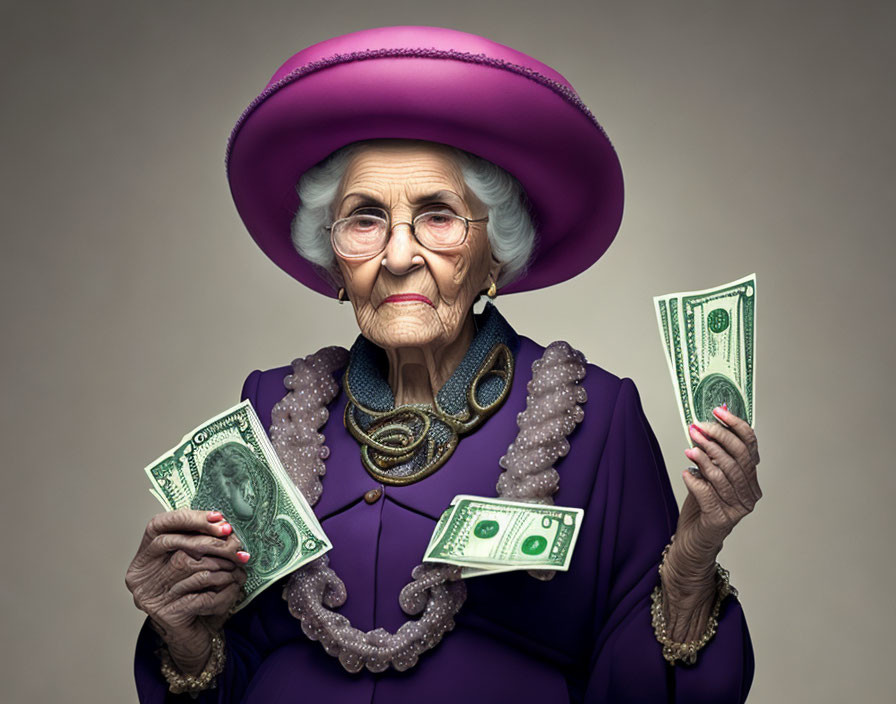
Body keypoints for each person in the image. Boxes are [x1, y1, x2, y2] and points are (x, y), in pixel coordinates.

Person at [126, 26, 761, 703]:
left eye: (438, 217)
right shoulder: (274, 409)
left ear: (496, 257)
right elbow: (225, 674)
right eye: (365, 220)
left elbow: (643, 686)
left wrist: (691, 559)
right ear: (335, 263)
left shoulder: (597, 418)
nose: (399, 256)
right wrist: (185, 632)